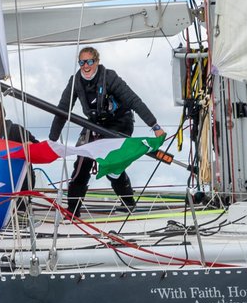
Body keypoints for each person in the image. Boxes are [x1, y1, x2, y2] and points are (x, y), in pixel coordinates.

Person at [48, 46, 166, 216]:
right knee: (82, 162)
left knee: (111, 163)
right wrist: (53, 139)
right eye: (82, 62)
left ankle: (128, 202)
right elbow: (62, 110)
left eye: (90, 61)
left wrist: (154, 126)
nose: (86, 66)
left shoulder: (109, 77)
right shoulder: (75, 81)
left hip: (119, 122)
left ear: (97, 61)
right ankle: (73, 211)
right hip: (95, 123)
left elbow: (134, 101)